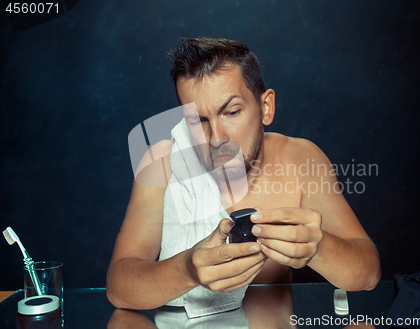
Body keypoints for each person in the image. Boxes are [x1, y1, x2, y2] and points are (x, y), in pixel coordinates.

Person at [106, 37, 381, 311]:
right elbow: (119, 287)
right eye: (198, 120)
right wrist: (186, 269)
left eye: (232, 112)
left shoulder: (300, 159)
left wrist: (318, 247)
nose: (216, 137)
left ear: (265, 108)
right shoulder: (162, 164)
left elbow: (367, 274)